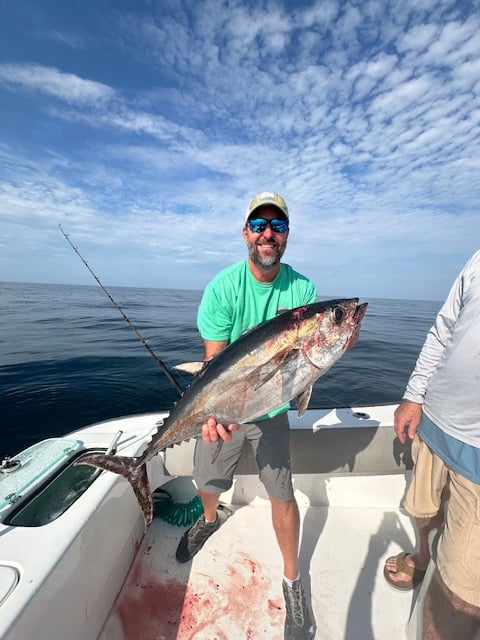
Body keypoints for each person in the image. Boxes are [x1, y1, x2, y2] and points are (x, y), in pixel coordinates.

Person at [175, 192, 317, 639]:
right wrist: (211, 413)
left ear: (287, 235)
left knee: (283, 494)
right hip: (225, 409)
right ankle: (210, 519)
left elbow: (304, 363)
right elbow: (213, 364)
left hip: (272, 411)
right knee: (207, 479)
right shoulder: (222, 288)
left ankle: (293, 582)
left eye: (277, 226)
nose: (268, 233)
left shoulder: (303, 291)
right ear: (246, 233)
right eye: (259, 224)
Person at [384, 250, 480, 639]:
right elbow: (445, 328)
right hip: (435, 422)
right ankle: (423, 557)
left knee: (460, 592)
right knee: (423, 508)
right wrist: (414, 395)